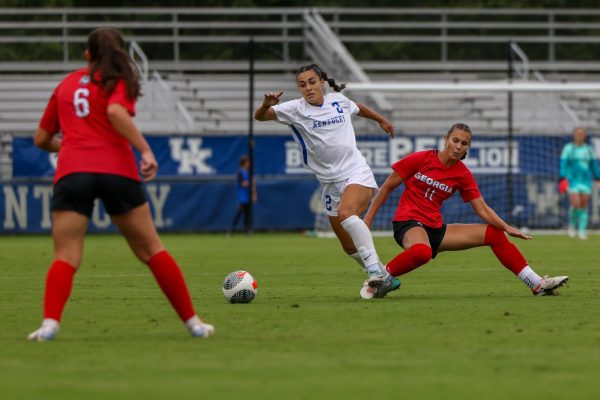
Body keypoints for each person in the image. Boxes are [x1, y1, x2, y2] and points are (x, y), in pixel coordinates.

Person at [27, 27, 214, 341]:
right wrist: (145, 150)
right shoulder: (118, 79)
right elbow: (114, 111)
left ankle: (49, 325)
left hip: (73, 173)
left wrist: (73, 145)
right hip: (117, 171)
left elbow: (41, 139)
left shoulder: (67, 85)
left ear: (87, 55)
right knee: (152, 250)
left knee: (66, 256)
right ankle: (194, 324)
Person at [364, 123, 569, 298]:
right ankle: (383, 278)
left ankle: (537, 284)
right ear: (446, 139)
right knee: (422, 252)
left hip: (435, 229)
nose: (458, 146)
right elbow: (387, 187)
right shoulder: (421, 159)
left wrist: (507, 227)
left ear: (467, 147)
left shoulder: (462, 174)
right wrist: (369, 219)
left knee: (494, 234)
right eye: (455, 140)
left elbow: (482, 209)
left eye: (464, 143)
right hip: (408, 223)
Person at [254, 63, 399, 299]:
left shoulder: (338, 100)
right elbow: (259, 117)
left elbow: (357, 108)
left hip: (356, 172)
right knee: (349, 247)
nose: (308, 88)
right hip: (329, 183)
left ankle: (374, 271)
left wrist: (381, 119)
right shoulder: (294, 109)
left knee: (347, 214)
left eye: (312, 82)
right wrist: (265, 105)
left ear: (321, 82)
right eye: (302, 85)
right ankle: (386, 277)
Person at [559, 127, 600, 240]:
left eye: (582, 133)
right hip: (572, 181)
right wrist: (562, 178)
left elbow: (594, 165)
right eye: (578, 133)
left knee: (584, 205)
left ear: (585, 136)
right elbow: (563, 163)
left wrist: (598, 178)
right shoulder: (568, 148)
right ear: (574, 135)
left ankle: (582, 231)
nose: (580, 135)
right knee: (575, 204)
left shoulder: (589, 150)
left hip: (586, 181)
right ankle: (572, 226)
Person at [229, 155, 254, 234]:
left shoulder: (248, 172)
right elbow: (244, 184)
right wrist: (251, 183)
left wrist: (253, 193)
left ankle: (246, 230)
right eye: (248, 162)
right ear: (244, 163)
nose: (249, 164)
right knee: (239, 213)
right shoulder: (240, 172)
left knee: (247, 214)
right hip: (242, 196)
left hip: (247, 196)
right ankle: (231, 230)